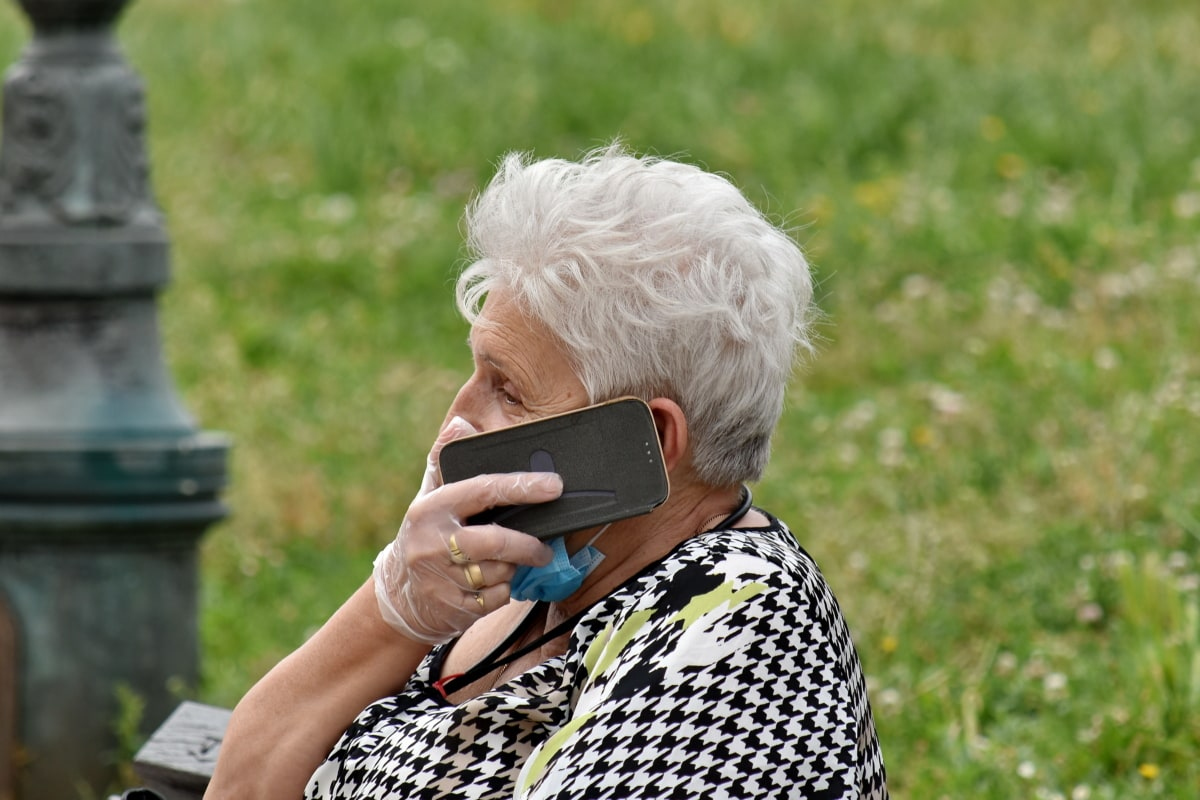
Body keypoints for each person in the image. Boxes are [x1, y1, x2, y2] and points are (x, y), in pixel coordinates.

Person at [206, 144, 888, 799]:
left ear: (647, 438)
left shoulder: (737, 631)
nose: (452, 427)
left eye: (507, 390)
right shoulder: (519, 579)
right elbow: (241, 785)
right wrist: (393, 609)